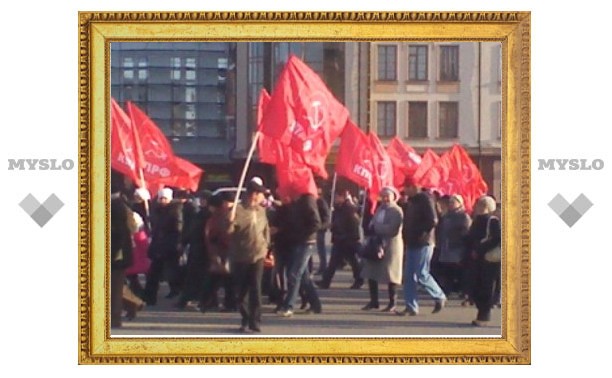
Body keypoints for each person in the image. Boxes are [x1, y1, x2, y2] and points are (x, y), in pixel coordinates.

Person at [226, 179, 271, 332]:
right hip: (240, 255)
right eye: (258, 193)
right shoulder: (237, 210)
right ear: (252, 194)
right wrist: (229, 222)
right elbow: (227, 233)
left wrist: (266, 248)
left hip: (258, 254)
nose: (260, 196)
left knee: (256, 289)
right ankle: (245, 317)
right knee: (240, 291)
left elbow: (266, 230)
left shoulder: (261, 210)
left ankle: (255, 321)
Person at [398, 179, 447, 316]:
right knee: (408, 276)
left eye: (407, 187)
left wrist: (419, 232)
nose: (405, 191)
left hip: (424, 242)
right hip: (412, 242)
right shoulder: (412, 201)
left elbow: (433, 220)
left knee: (421, 273)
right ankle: (411, 306)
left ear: (414, 187)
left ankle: (439, 295)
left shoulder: (426, 199)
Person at [277, 192, 322, 317]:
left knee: (294, 273)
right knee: (303, 276)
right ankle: (315, 304)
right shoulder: (294, 202)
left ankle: (289, 306)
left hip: (306, 242)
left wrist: (302, 235)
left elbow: (316, 223)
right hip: (296, 241)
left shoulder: (307, 200)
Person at [360, 187, 404, 312]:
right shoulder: (380, 208)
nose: (385, 198)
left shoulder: (396, 211)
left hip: (391, 246)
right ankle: (374, 301)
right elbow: (371, 224)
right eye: (383, 195)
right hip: (376, 245)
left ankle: (392, 302)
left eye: (387, 196)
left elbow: (392, 229)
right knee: (371, 272)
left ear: (393, 197)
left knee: (391, 275)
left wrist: (377, 227)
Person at [143, 188, 184, 305]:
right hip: (158, 245)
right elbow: (156, 226)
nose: (162, 200)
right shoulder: (157, 210)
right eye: (161, 198)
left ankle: (177, 291)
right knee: (153, 273)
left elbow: (178, 228)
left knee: (172, 271)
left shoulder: (175, 210)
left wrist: (176, 243)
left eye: (165, 198)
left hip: (170, 245)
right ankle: (149, 297)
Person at [466, 195, 501, 326]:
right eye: (479, 204)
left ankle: (484, 316)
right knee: (476, 285)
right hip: (476, 258)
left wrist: (480, 248)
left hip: (489, 259)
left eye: (482, 205)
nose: (479, 207)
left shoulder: (492, 221)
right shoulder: (477, 220)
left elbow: (496, 238)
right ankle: (481, 312)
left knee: (486, 287)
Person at [316, 190, 363, 289]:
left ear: (343, 197)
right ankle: (325, 281)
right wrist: (333, 226)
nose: (335, 199)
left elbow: (352, 223)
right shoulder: (338, 209)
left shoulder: (349, 209)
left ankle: (359, 279)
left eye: (337, 197)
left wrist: (336, 227)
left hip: (347, 239)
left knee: (352, 261)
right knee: (334, 262)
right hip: (339, 238)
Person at [110, 182, 137, 328]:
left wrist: (115, 253)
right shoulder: (119, 205)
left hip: (116, 254)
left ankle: (115, 318)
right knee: (114, 286)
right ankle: (132, 304)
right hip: (116, 252)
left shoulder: (116, 206)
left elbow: (119, 233)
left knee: (114, 287)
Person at [436, 194, 471, 296]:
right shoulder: (447, 216)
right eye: (450, 202)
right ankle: (448, 288)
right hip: (446, 245)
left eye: (453, 202)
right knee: (447, 268)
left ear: (460, 204)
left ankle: (460, 289)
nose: (451, 204)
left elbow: (466, 230)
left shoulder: (463, 216)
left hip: (457, 246)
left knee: (456, 268)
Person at [314, 186, 331, 275]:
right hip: (317, 227)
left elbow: (326, 216)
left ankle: (323, 266)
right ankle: (322, 266)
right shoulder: (317, 202)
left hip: (321, 228)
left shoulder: (321, 202)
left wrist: (322, 226)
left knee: (321, 249)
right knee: (319, 248)